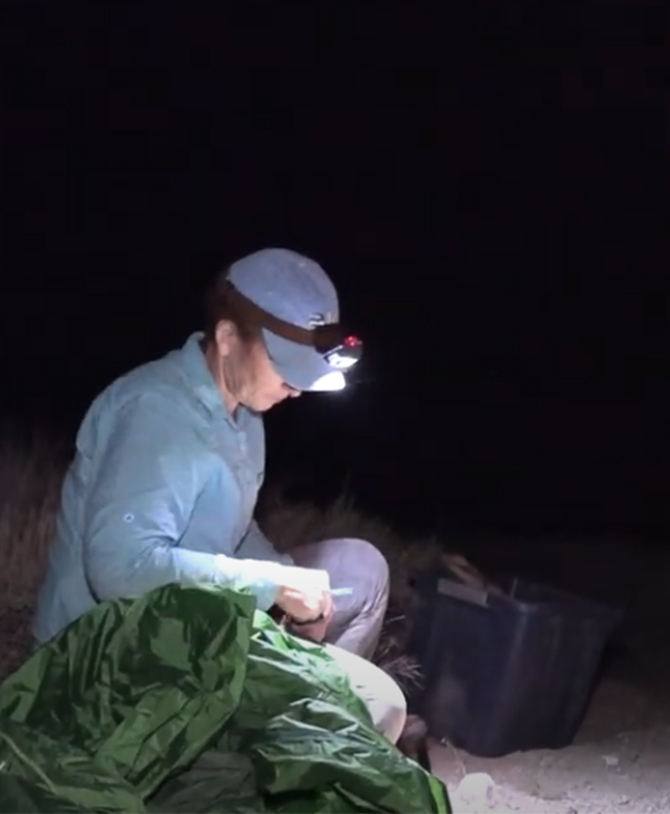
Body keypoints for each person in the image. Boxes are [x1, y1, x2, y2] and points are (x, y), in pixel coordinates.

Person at [32, 247, 410, 745]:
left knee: (360, 570)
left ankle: (296, 718)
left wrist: (289, 581)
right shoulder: (159, 413)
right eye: (285, 366)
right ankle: (282, 738)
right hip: (104, 660)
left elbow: (235, 529)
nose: (295, 389)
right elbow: (119, 569)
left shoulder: (245, 414)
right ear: (228, 337)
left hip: (194, 615)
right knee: (381, 704)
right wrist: (270, 586)